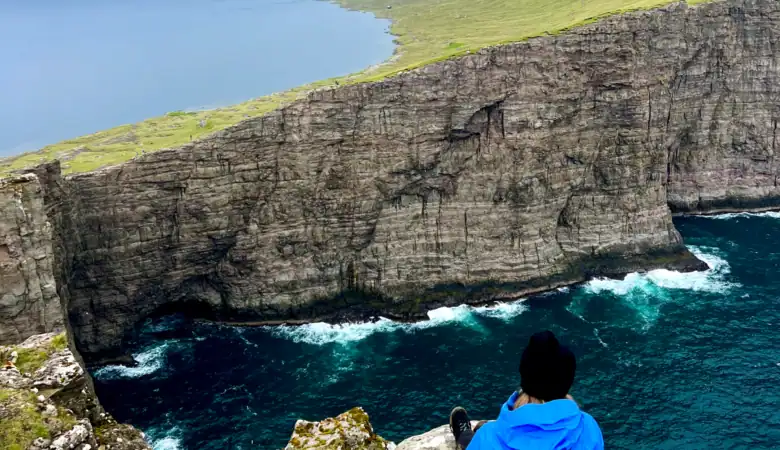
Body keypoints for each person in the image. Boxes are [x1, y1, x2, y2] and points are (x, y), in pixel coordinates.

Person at [449, 330, 604, 449]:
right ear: (567, 381)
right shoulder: (589, 428)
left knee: (479, 437)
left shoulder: (486, 438)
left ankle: (464, 437)